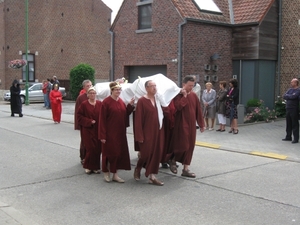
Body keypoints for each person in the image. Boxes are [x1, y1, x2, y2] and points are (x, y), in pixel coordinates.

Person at [168, 75, 205, 178]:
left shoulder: (193, 96)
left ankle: (185, 169)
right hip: (181, 124)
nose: (191, 88)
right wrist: (184, 96)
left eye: (192, 85)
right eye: (189, 85)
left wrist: (201, 124)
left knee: (190, 147)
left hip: (192, 125)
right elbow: (178, 107)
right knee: (183, 145)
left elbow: (198, 110)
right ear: (183, 84)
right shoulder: (177, 95)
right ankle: (173, 159)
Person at [99, 81, 134, 183]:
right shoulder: (106, 102)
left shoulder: (121, 101)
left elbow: (125, 114)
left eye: (119, 90)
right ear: (112, 90)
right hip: (109, 133)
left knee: (118, 153)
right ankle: (106, 171)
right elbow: (102, 120)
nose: (118, 91)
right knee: (109, 153)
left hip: (120, 132)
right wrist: (102, 135)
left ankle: (115, 174)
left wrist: (130, 106)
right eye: (116, 90)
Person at [134, 80, 166, 186]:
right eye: (152, 86)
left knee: (156, 153)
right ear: (146, 88)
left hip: (158, 130)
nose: (154, 88)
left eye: (155, 86)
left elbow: (165, 108)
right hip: (146, 132)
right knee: (146, 153)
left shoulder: (157, 99)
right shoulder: (142, 101)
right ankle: (138, 168)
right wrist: (139, 135)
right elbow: (138, 120)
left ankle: (152, 177)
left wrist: (160, 96)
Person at [77, 86, 102, 174]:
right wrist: (89, 121)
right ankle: (88, 166)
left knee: (97, 148)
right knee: (90, 148)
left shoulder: (99, 103)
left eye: (94, 93)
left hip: (97, 130)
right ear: (87, 95)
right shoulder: (84, 104)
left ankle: (95, 167)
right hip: (87, 130)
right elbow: (79, 117)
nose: (92, 94)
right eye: (90, 93)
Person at [74, 80, 92, 165]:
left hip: (93, 123)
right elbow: (78, 112)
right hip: (84, 123)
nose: (89, 87)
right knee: (84, 141)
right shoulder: (81, 98)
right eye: (87, 86)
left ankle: (92, 157)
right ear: (84, 87)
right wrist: (78, 124)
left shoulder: (94, 95)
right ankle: (83, 157)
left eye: (90, 85)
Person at [282, 78, 300, 143]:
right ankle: (288, 136)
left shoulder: (298, 90)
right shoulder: (289, 90)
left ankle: (296, 138)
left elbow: (294, 97)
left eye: (292, 82)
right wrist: (290, 96)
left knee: (294, 124)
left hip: (294, 109)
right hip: (288, 108)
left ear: (296, 83)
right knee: (288, 123)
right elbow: (284, 96)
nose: (291, 83)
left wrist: (289, 96)